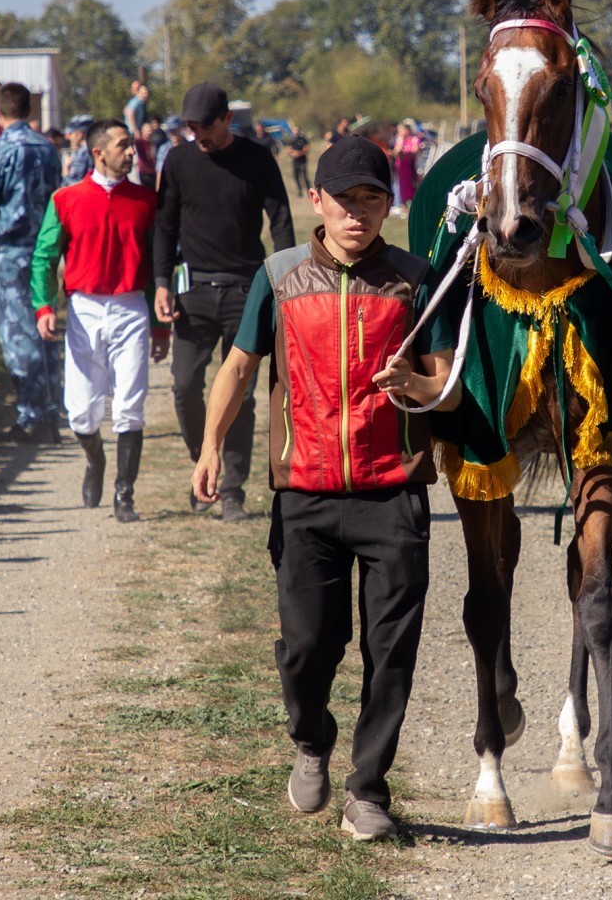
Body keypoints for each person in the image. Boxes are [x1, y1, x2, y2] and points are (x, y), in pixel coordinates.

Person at [189, 136, 460, 841]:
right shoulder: (277, 276)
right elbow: (241, 366)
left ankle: (368, 791)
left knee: (391, 652)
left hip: (393, 492)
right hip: (304, 494)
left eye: (372, 198)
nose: (358, 213)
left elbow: (450, 388)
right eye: (345, 200)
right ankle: (311, 739)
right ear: (317, 201)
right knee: (308, 647)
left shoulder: (415, 278)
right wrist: (212, 446)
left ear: (387, 203)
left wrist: (420, 388)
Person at [153, 82, 295, 521]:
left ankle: (232, 488)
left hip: (246, 290)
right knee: (183, 385)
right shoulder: (177, 161)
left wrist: (286, 282)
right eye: (190, 128)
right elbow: (164, 226)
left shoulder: (256, 159)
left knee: (244, 397)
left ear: (227, 119)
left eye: (205, 127)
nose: (198, 136)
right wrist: (160, 281)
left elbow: (282, 220)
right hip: (192, 291)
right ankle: (205, 462)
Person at [32, 120, 170, 521]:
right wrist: (44, 307)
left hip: (130, 307)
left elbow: (158, 263)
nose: (132, 152)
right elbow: (45, 256)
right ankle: (95, 460)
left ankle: (124, 496)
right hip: (84, 308)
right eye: (124, 146)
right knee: (81, 412)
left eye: (132, 145)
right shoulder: (66, 199)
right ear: (98, 153)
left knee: (130, 405)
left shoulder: (146, 202)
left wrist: (161, 324)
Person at [0, 82, 62, 442]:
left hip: (8, 249)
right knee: (44, 328)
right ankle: (51, 409)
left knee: (17, 335)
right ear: (28, 109)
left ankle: (32, 414)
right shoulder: (48, 148)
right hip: (44, 247)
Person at [62, 115, 94, 184]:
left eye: (71, 133)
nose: (68, 137)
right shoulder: (99, 148)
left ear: (79, 135)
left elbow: (76, 183)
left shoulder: (83, 152)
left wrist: (65, 171)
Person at [286, 123, 310, 194]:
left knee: (304, 177)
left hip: (302, 161)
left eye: (296, 130)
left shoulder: (303, 139)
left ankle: (308, 190)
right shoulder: (292, 140)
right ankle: (300, 191)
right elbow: (289, 150)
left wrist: (299, 153)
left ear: (299, 131)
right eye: (294, 131)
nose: (295, 132)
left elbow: (306, 149)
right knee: (296, 177)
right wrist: (293, 153)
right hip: (295, 161)